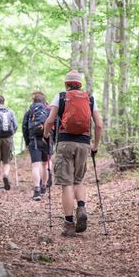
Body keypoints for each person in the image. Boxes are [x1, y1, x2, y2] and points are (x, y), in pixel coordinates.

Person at [43, 70, 103, 237]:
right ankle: (81, 207)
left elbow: (49, 120)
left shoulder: (61, 96)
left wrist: (46, 135)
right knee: (79, 180)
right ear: (80, 84)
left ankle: (69, 224)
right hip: (84, 144)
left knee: (66, 184)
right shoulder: (89, 99)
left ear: (66, 84)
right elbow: (98, 125)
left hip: (65, 143)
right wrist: (95, 146)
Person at [22, 91, 52, 201]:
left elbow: (24, 127)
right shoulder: (48, 109)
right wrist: (53, 139)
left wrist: (27, 141)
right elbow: (55, 124)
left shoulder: (30, 111)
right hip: (47, 139)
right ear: (44, 100)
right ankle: (44, 187)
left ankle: (37, 190)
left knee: (35, 166)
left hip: (33, 140)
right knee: (45, 165)